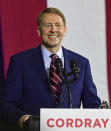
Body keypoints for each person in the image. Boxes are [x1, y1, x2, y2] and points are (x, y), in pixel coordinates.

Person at [0, 7, 101, 129]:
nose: (53, 29)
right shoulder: (20, 62)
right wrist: (22, 118)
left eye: (58, 25)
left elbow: (92, 105)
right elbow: (7, 103)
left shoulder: (81, 63)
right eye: (48, 25)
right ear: (39, 31)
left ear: (64, 30)